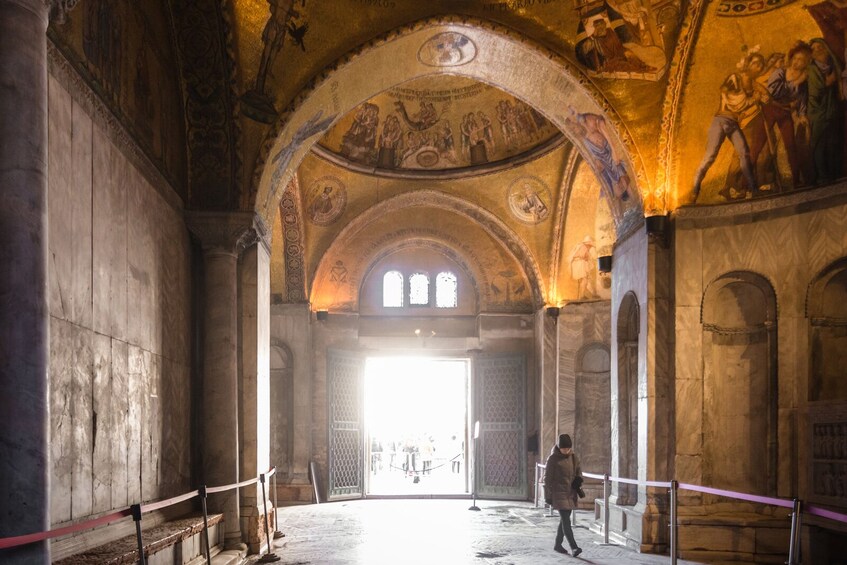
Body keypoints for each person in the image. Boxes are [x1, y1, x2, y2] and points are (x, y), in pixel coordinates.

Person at [543, 434, 583, 557]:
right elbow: (547, 479)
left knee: (564, 520)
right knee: (566, 520)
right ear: (559, 447)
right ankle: (574, 547)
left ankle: (558, 544)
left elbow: (578, 471)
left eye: (568, 448)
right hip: (558, 493)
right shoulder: (553, 459)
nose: (566, 450)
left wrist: (579, 479)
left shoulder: (573, 457)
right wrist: (547, 496)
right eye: (564, 448)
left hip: (570, 493)